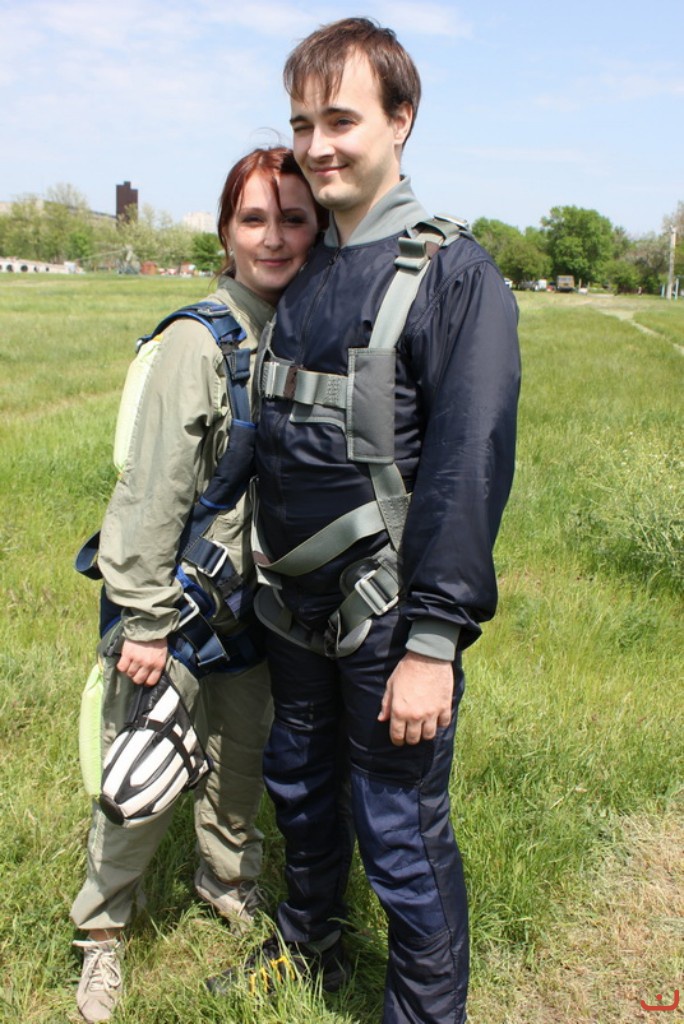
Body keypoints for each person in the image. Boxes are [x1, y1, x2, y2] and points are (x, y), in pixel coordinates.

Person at [206, 18, 521, 1024]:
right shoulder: (306, 271)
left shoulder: (454, 277)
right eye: (302, 123)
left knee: (399, 829)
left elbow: (469, 468)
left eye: (340, 120)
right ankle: (309, 947)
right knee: (300, 791)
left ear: (401, 120)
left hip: (391, 620)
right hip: (293, 613)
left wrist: (434, 640)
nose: (318, 144)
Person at [70, 146, 322, 1024]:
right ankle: (102, 931)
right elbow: (148, 494)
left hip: (254, 611)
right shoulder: (197, 342)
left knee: (238, 768)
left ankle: (226, 882)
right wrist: (144, 621)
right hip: (172, 606)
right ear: (225, 233)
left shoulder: (300, 335)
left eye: (293, 218)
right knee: (141, 773)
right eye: (254, 218)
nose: (274, 236)